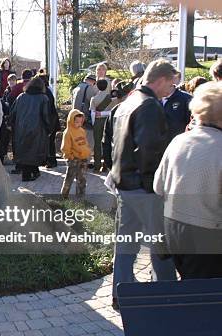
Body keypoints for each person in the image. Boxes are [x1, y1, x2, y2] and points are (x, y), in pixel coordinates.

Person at [109, 59, 179, 310]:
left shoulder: (128, 102)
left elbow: (116, 144)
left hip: (125, 184)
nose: (172, 88)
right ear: (160, 80)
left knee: (126, 242)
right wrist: (156, 185)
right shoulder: (149, 106)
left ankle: (120, 292)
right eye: (171, 83)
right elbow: (150, 149)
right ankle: (167, 293)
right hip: (143, 186)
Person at [153, 81, 222, 280]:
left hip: (174, 230)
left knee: (190, 286)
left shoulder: (179, 141)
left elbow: (159, 186)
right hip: (208, 237)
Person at [9, 77, 51, 181]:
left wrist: (11, 125)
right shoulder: (43, 98)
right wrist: (49, 128)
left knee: (25, 152)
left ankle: (30, 173)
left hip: (21, 129)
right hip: (37, 129)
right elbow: (46, 115)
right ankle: (29, 175)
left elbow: (13, 113)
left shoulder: (21, 97)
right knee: (34, 151)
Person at [102, 81, 134, 170]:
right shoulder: (137, 111)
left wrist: (109, 165)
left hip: (117, 162)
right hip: (130, 165)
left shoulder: (115, 111)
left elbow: (106, 141)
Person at [60, 109, 91, 198]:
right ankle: (63, 196)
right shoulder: (68, 132)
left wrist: (87, 151)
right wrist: (70, 157)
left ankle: (81, 198)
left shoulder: (81, 130)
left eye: (80, 122)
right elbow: (65, 147)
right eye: (76, 122)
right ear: (71, 120)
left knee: (82, 180)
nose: (78, 124)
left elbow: (85, 142)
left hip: (83, 159)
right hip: (73, 160)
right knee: (69, 179)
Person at [36, 73, 60, 168]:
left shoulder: (44, 93)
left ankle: (51, 161)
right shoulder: (47, 91)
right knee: (50, 142)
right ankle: (50, 160)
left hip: (49, 120)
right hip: (52, 119)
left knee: (49, 142)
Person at [89, 79, 113, 173]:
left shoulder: (94, 99)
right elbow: (112, 111)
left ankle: (97, 166)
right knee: (107, 143)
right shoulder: (111, 98)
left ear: (97, 86)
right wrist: (104, 113)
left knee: (97, 144)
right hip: (108, 121)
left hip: (98, 122)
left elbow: (93, 113)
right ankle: (106, 165)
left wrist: (94, 123)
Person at [161, 76, 192, 142]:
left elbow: (191, 125)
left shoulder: (186, 99)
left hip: (179, 145)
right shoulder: (155, 99)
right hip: (160, 147)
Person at [0, 74, 19, 163]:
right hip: (7, 116)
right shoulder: (7, 91)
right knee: (5, 138)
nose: (11, 82)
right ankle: (5, 155)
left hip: (16, 116)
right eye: (10, 80)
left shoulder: (17, 90)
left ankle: (16, 156)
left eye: (13, 80)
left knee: (15, 138)